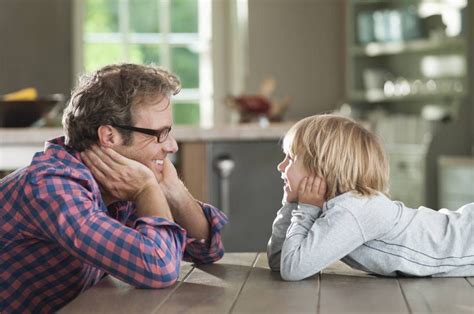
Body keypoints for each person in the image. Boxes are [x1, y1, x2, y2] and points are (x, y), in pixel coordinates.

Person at [0, 63, 228, 312]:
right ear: (109, 137)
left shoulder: (118, 180)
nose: (172, 146)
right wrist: (147, 190)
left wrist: (173, 189)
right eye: (160, 134)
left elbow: (207, 250)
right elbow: (159, 268)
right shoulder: (52, 187)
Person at [267, 114, 474, 281]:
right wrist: (292, 205)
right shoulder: (332, 206)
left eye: (291, 158)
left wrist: (305, 210)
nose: (281, 166)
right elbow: (279, 261)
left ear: (321, 168)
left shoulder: (354, 210)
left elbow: (292, 269)